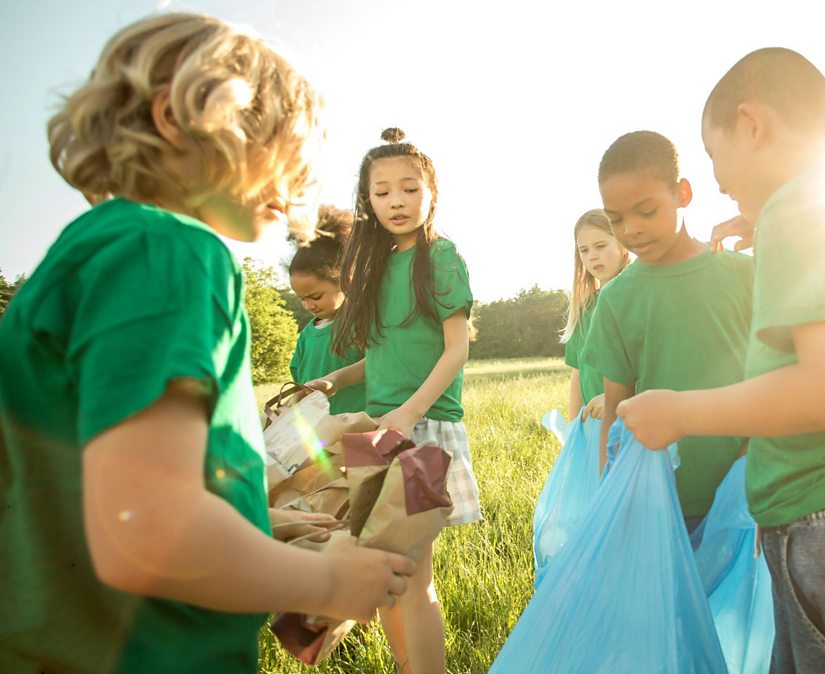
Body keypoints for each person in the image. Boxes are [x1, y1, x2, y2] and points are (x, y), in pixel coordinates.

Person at [0, 13, 414, 674]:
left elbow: (97, 499)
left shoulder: (89, 257)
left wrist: (260, 531)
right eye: (277, 137)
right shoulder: (167, 251)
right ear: (175, 117)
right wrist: (326, 584)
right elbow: (146, 532)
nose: (296, 175)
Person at [616, 48, 825, 674]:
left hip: (821, 520)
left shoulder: (796, 214)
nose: (717, 176)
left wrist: (682, 411)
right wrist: (769, 226)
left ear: (751, 124)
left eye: (714, 152)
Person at [312, 128, 481, 674]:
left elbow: (455, 350)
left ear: (430, 191)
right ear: (368, 201)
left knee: (412, 576)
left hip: (422, 427)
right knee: (384, 574)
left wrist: (409, 413)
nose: (396, 202)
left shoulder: (441, 257)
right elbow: (383, 355)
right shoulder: (373, 266)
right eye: (382, 192)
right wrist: (335, 381)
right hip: (376, 429)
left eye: (409, 189)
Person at [585, 130, 753, 530]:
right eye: (617, 220)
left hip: (750, 491)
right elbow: (615, 408)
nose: (632, 230)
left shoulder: (744, 275)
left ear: (682, 193)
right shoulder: (616, 299)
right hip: (660, 501)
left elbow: (778, 375)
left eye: (646, 211)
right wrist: (613, 496)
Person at [289, 204, 367, 414]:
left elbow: (377, 365)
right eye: (302, 299)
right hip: (317, 430)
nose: (309, 305)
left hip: (357, 428)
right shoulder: (307, 334)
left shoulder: (361, 323)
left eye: (315, 296)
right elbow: (298, 376)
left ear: (344, 280)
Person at [562, 208, 629, 421]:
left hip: (633, 420)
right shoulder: (585, 307)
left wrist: (614, 398)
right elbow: (578, 372)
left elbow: (652, 366)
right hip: (593, 424)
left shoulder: (636, 299)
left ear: (623, 245)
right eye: (584, 250)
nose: (592, 256)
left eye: (600, 246)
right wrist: (573, 427)